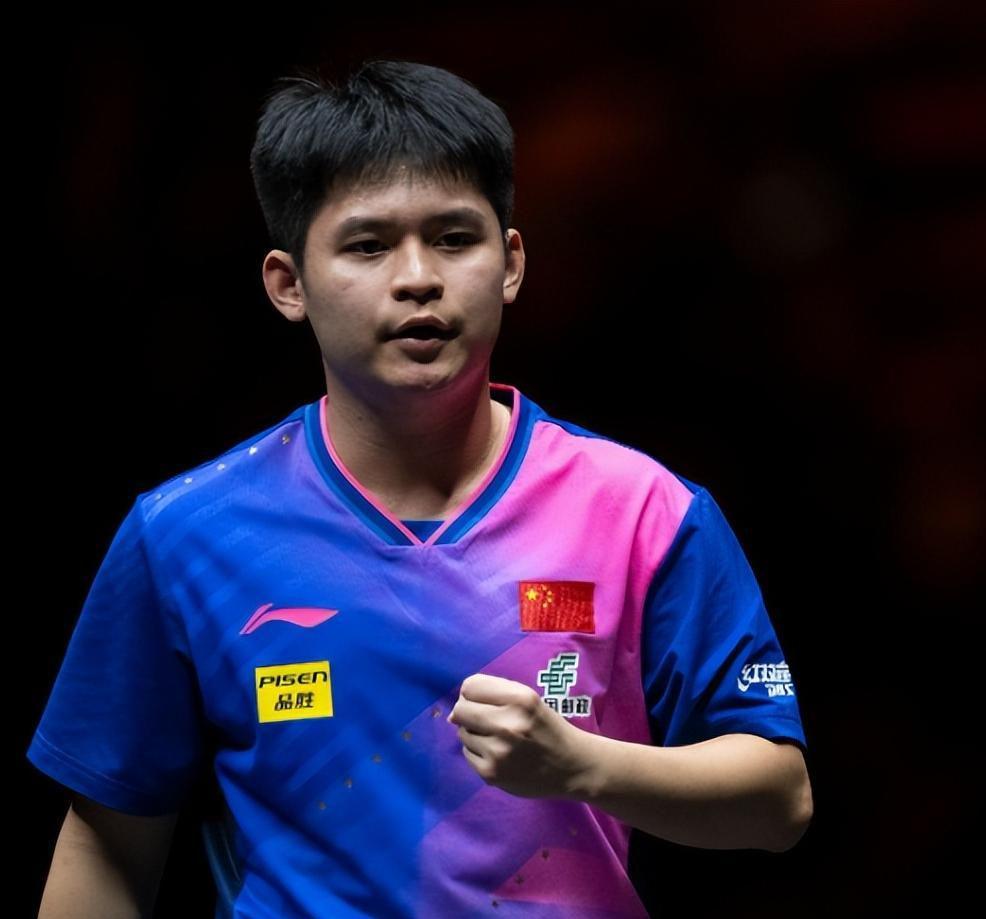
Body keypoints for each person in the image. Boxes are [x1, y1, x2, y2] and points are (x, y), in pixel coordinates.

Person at [28, 59, 813, 918]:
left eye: (454, 237)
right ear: (288, 285)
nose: (417, 278)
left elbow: (779, 800)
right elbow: (108, 843)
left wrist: (585, 765)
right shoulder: (185, 534)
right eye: (367, 245)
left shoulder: (645, 514)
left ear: (510, 263)